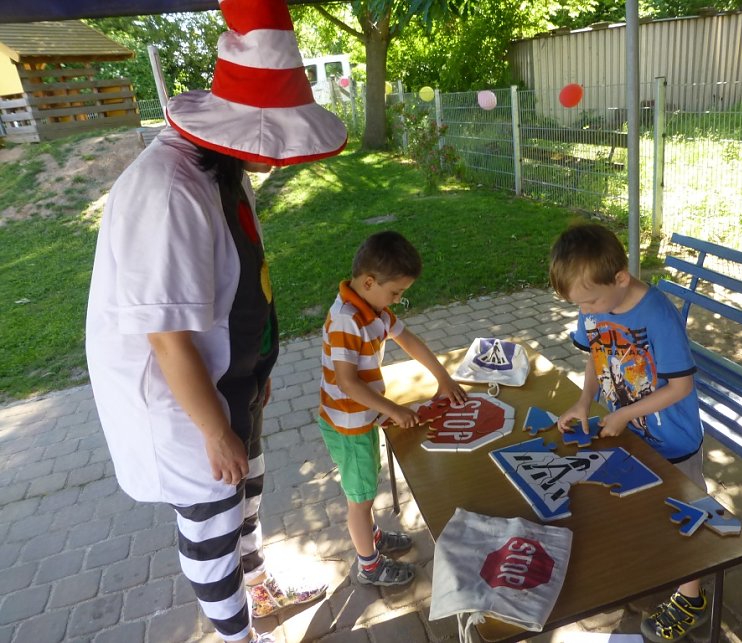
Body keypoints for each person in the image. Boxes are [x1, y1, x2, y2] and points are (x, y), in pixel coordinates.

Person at [85, 1, 347, 642]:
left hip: (231, 382)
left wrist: (252, 380)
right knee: (210, 525)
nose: (276, 157)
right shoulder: (169, 191)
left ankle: (258, 587)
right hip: (185, 407)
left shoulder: (220, 163)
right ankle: (238, 635)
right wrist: (214, 431)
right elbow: (167, 337)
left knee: (247, 499)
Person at [549, 223, 708, 643]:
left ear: (620, 278)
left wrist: (624, 415)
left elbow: (681, 386)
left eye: (588, 302)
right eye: (577, 305)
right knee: (645, 507)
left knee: (686, 519)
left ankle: (691, 597)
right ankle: (661, 569)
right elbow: (595, 355)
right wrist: (585, 402)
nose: (584, 313)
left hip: (673, 442)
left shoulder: (657, 313)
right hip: (633, 431)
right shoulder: (597, 304)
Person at [317, 231, 468, 587]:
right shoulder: (346, 319)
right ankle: (368, 565)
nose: (398, 301)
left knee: (364, 490)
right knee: (361, 497)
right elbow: (346, 382)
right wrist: (393, 409)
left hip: (361, 417)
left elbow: (409, 340)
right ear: (369, 282)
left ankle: (371, 536)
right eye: (396, 293)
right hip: (348, 424)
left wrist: (442, 378)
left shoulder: (374, 309)